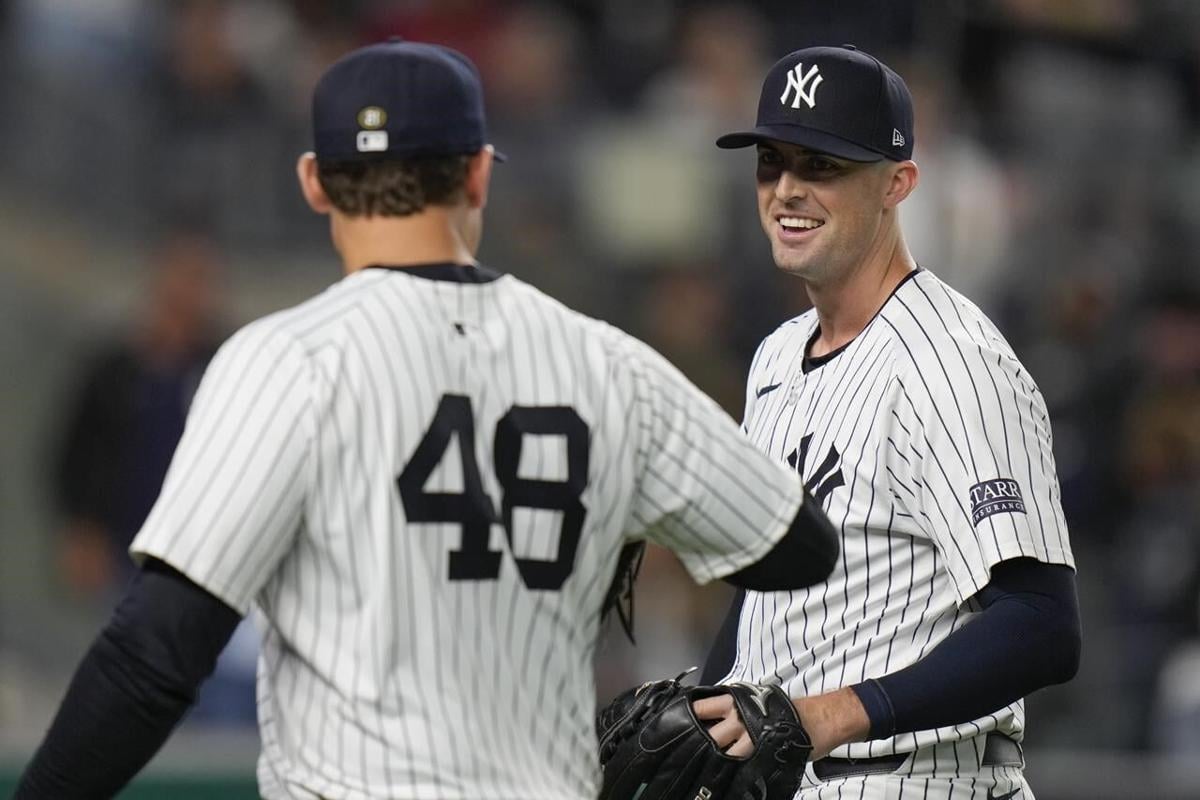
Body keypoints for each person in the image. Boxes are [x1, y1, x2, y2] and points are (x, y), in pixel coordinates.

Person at [15, 40, 840, 799]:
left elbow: (153, 657)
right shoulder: (609, 365)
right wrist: (619, 519)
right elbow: (800, 546)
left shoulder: (291, 358)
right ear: (479, 174)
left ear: (313, 181)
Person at [699, 45, 1081, 798]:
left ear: (898, 183)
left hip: (927, 780)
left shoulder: (954, 364)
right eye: (771, 162)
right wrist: (708, 710)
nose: (787, 191)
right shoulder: (776, 358)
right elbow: (767, 594)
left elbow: (1040, 623)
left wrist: (835, 713)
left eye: (823, 166)